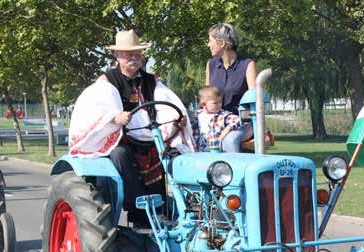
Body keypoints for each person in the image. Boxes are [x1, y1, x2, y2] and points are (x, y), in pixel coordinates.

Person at [68, 29, 194, 225]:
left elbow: (167, 102)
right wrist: (114, 118)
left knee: (174, 154)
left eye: (137, 54)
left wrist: (178, 118)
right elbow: (96, 109)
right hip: (122, 138)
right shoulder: (106, 82)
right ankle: (139, 205)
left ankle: (183, 209)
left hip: (151, 136)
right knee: (120, 155)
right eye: (128, 55)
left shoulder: (152, 81)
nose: (134, 59)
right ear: (117, 56)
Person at [205, 23, 257, 152]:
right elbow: (205, 100)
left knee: (230, 139)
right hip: (216, 122)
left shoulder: (248, 65)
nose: (208, 45)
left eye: (210, 41)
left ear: (222, 43)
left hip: (242, 123)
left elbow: (255, 103)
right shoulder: (211, 65)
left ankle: (233, 172)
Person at [192, 86, 241, 151]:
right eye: (215, 103)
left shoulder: (222, 115)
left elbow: (237, 120)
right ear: (204, 104)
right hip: (201, 151)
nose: (219, 105)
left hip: (217, 151)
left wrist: (227, 129)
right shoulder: (197, 116)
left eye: (220, 102)